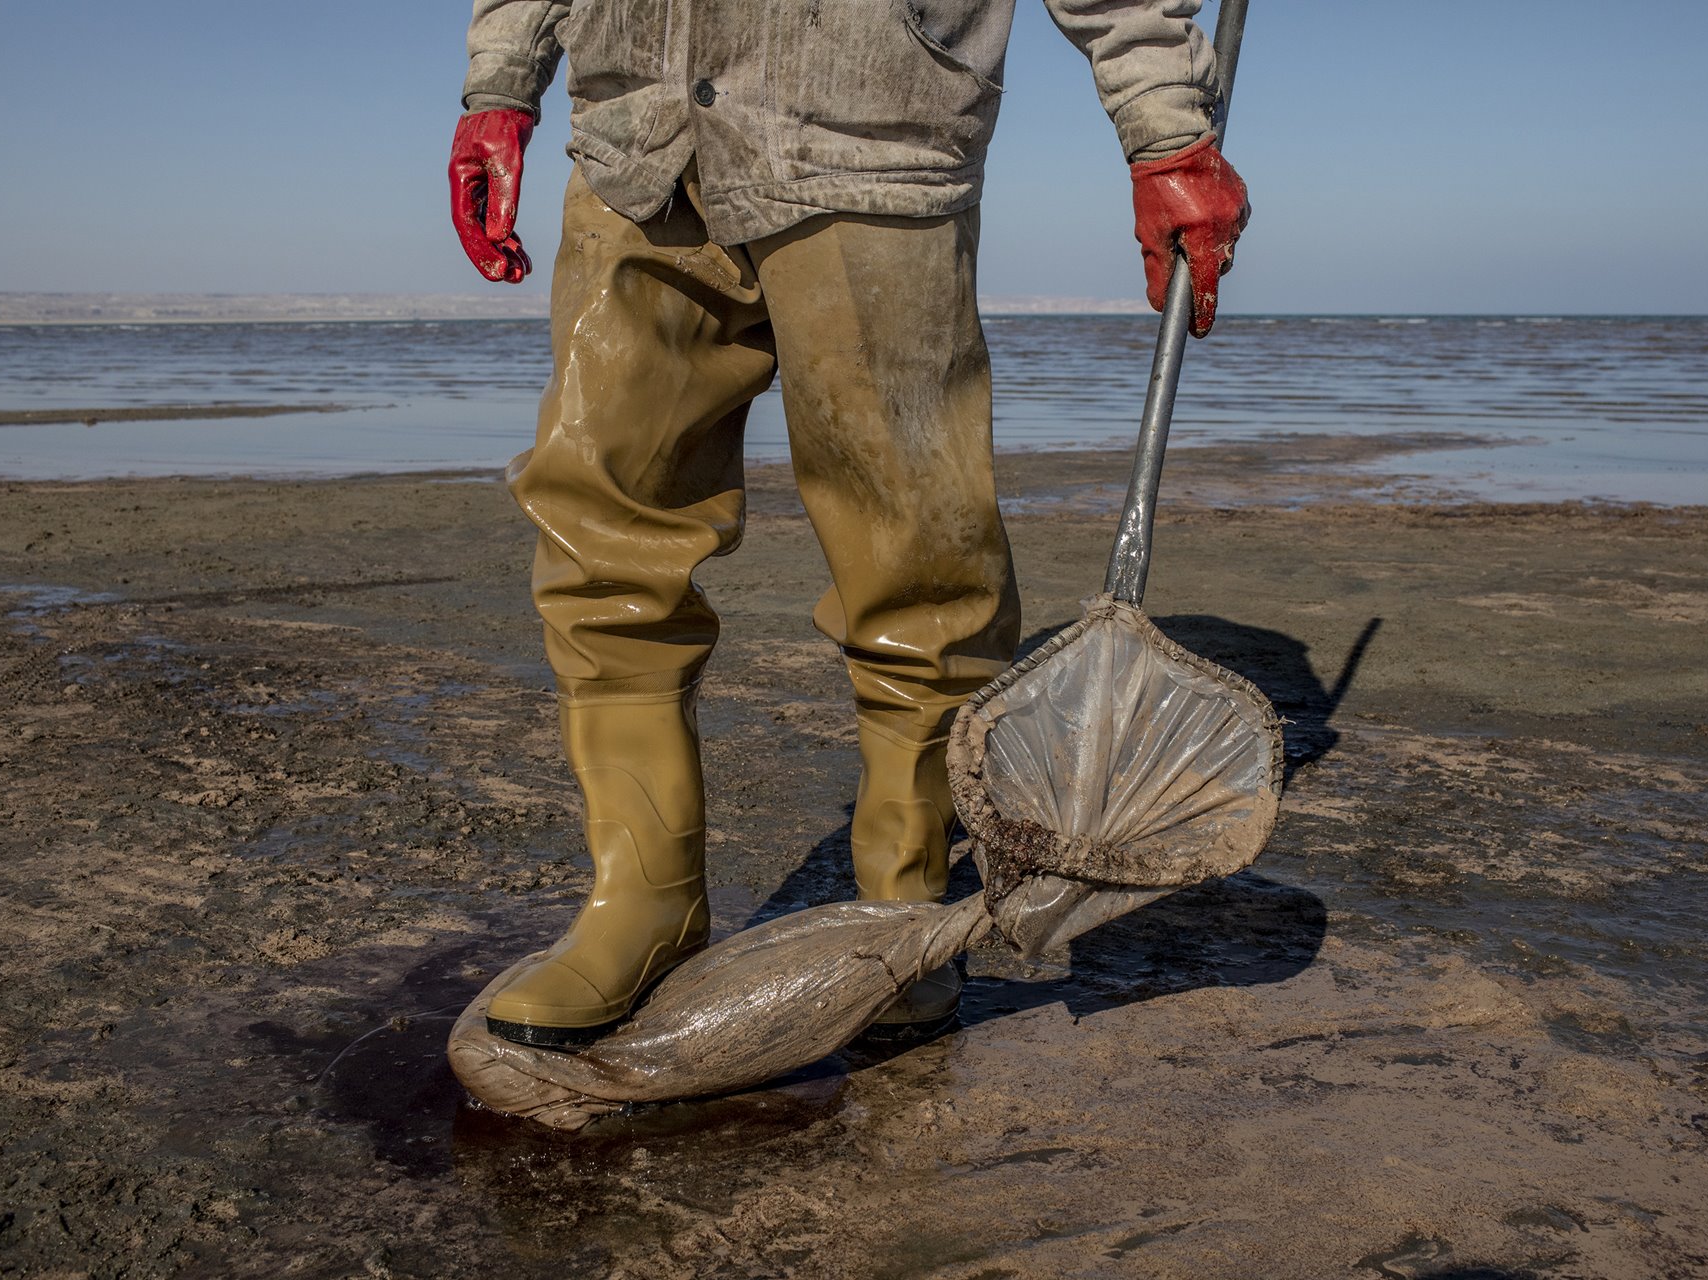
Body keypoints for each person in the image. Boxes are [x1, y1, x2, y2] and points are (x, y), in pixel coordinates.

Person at [447, 0, 1249, 1048]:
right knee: (599, 535)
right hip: (636, 144)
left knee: (918, 560)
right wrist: (503, 82)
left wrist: (1166, 125)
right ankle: (640, 904)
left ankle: (901, 910)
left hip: (870, 135)